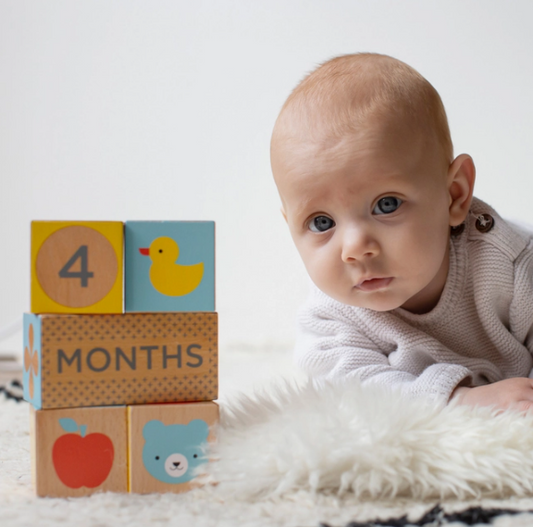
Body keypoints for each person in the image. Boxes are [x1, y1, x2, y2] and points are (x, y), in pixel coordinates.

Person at [270, 52, 533, 411]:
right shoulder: (331, 315)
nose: (356, 248)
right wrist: (458, 400)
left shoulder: (511, 265)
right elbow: (350, 393)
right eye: (322, 223)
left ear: (454, 195)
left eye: (387, 205)